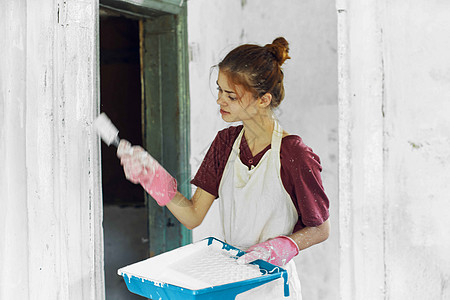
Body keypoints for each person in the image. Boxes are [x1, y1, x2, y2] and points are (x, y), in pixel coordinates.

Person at [117, 37, 330, 299]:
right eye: (219, 90)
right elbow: (193, 215)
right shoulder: (225, 143)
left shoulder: (294, 154)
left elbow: (321, 228)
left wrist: (287, 245)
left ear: (263, 99)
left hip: (273, 286)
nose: (220, 100)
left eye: (231, 95)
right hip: (229, 281)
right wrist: (155, 180)